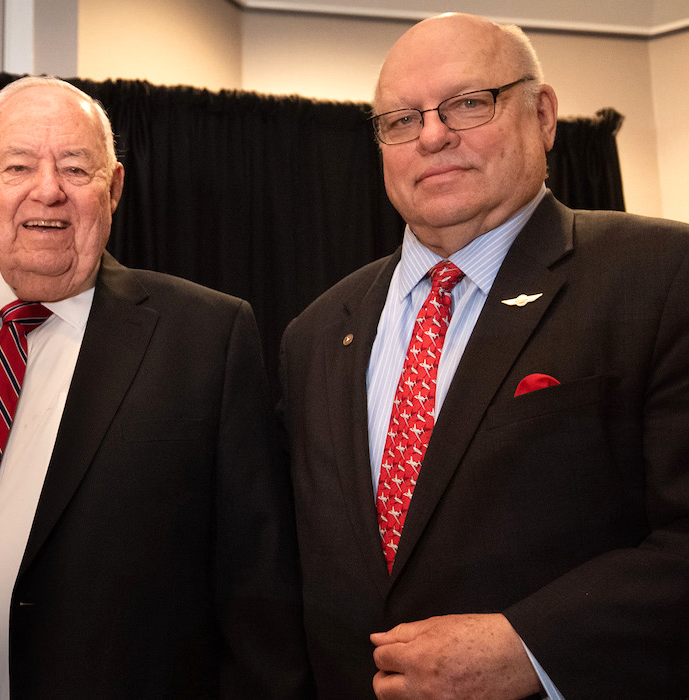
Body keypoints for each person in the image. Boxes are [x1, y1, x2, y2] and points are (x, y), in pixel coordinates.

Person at [0, 76, 308, 699]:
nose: (48, 190)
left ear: (113, 188)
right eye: (18, 166)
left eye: (75, 168)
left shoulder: (206, 339)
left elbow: (259, 600)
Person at [280, 12, 689, 699]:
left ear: (544, 114)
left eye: (468, 103)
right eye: (401, 120)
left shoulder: (662, 275)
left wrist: (535, 649)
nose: (433, 136)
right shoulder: (316, 333)